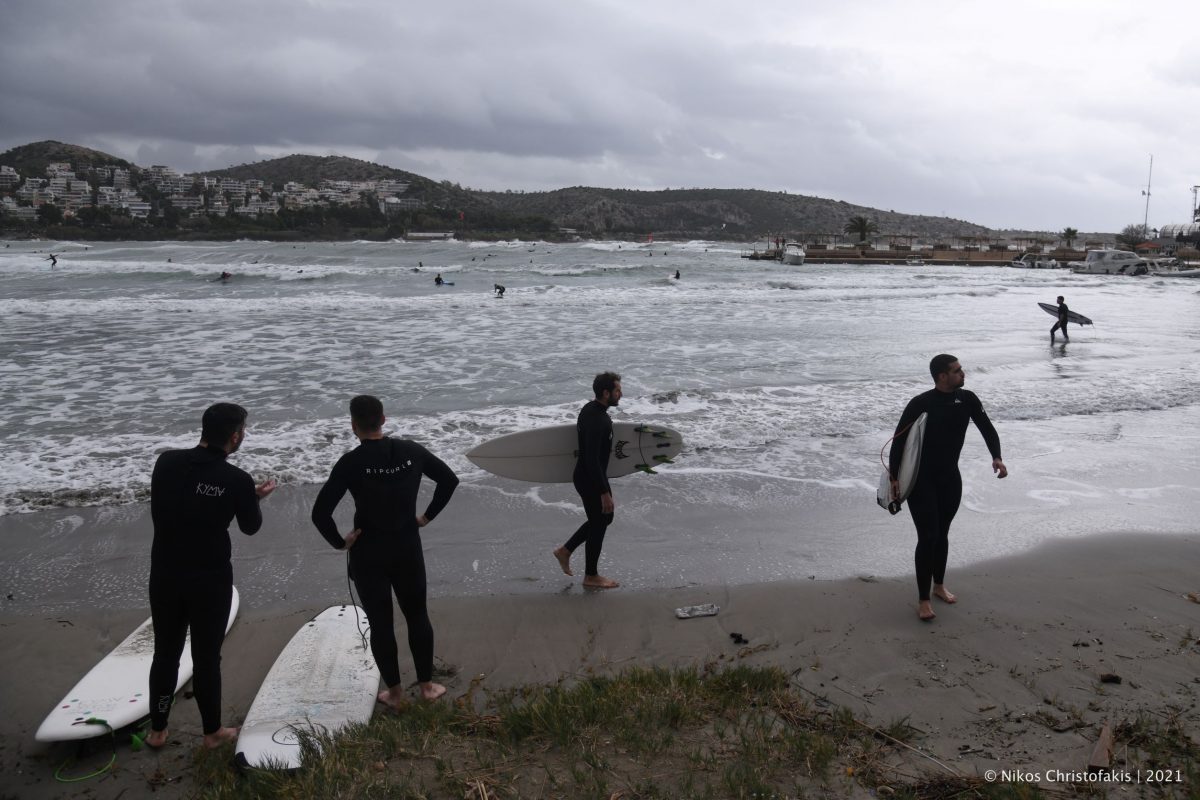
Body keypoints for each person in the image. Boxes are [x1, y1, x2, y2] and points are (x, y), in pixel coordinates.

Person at [311, 395, 459, 707]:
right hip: (407, 545)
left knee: (380, 623)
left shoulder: (350, 463)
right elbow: (449, 479)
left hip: (368, 552)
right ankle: (428, 687)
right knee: (417, 615)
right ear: (384, 419)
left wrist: (341, 542)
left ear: (354, 426)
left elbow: (320, 513)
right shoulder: (411, 451)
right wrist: (426, 517)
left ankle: (394, 693)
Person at [146, 403, 277, 749]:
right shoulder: (235, 480)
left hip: (165, 575)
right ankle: (212, 732)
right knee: (206, 658)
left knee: (165, 654)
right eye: (243, 430)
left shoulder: (166, 462)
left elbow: (176, 502)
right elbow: (250, 527)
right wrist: (253, 499)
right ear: (235, 437)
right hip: (209, 580)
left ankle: (158, 730)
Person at [888, 355, 1006, 621]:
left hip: (950, 478)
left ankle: (939, 585)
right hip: (921, 481)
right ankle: (923, 600)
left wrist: (996, 456)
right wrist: (895, 478)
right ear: (942, 376)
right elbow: (898, 441)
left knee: (942, 534)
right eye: (957, 370)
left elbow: (987, 428)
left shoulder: (967, 399)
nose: (962, 373)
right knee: (927, 537)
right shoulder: (921, 403)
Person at [553, 372, 623, 589]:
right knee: (601, 520)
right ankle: (591, 575)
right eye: (617, 390)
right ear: (606, 393)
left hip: (591, 475)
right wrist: (603, 491)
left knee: (603, 519)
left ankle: (565, 551)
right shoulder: (597, 419)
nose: (621, 394)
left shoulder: (592, 410)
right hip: (590, 477)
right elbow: (591, 458)